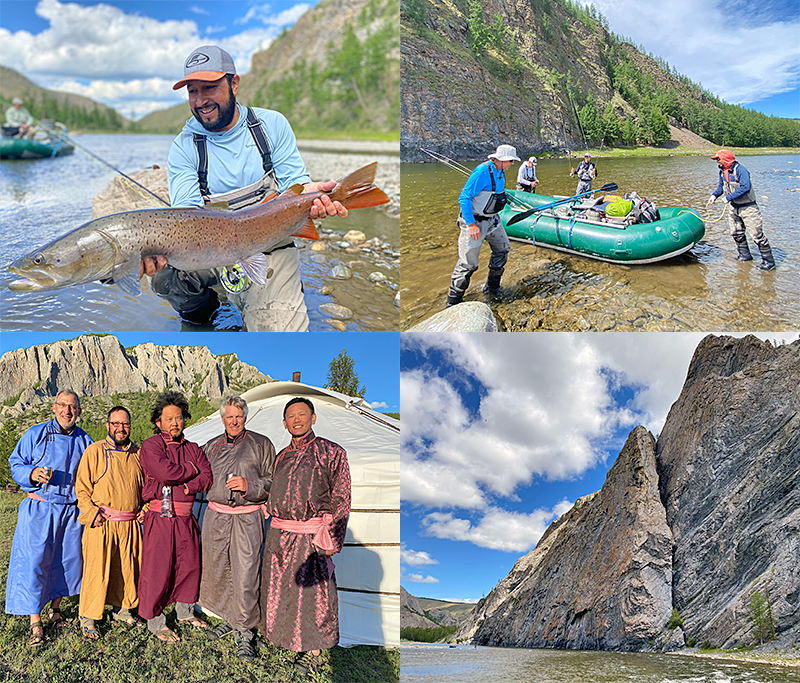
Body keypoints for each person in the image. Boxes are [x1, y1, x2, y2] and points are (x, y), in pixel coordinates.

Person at [144, 45, 349, 332]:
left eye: (210, 88)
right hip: (210, 253)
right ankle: (203, 313)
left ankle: (268, 296)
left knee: (279, 342)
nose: (201, 100)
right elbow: (186, 216)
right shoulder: (184, 147)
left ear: (234, 83)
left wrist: (315, 195)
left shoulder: (271, 125)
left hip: (268, 250)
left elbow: (296, 187)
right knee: (164, 277)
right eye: (193, 91)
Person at [259, 397, 351, 675]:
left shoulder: (332, 453)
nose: (296, 420)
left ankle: (313, 651)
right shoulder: (281, 457)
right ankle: (284, 639)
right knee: (281, 590)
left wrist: (331, 538)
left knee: (314, 596)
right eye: (291, 416)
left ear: (313, 417)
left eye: (302, 414)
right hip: (279, 535)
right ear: (284, 424)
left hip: (312, 537)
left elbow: (342, 499)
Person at [5, 390, 93, 647]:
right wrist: (32, 473)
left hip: (71, 511)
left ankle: (56, 609)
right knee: (36, 562)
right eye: (63, 406)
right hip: (40, 509)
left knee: (67, 563)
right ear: (54, 407)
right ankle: (35, 619)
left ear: (79, 411)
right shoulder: (36, 434)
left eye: (73, 407)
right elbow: (15, 462)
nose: (67, 411)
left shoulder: (85, 441)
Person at [199, 395, 276, 661]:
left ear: (246, 417)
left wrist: (249, 486)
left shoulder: (261, 444)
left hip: (247, 517)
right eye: (229, 417)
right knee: (219, 570)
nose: (234, 421)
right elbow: (195, 474)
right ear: (222, 419)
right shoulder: (210, 446)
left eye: (239, 416)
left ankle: (244, 631)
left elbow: (273, 482)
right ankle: (229, 618)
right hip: (216, 517)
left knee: (245, 573)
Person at [138, 391, 213, 642]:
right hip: (159, 518)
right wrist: (191, 470)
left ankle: (185, 612)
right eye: (168, 419)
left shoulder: (193, 448)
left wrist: (190, 486)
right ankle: (155, 621)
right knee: (157, 569)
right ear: (158, 422)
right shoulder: (151, 446)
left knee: (188, 567)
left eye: (179, 418)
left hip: (185, 518)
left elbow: (207, 477)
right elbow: (165, 472)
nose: (174, 423)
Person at [75, 406, 145, 640]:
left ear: (130, 426)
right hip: (101, 523)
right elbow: (82, 489)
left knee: (127, 569)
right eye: (116, 423)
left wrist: (144, 507)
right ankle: (89, 617)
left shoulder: (138, 454)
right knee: (97, 571)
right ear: (108, 425)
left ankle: (123, 610)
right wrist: (91, 513)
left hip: (130, 523)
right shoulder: (94, 451)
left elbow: (146, 489)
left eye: (124, 424)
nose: (120, 428)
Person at [446, 144, 518, 307]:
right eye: (511, 161)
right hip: (475, 222)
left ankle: (492, 288)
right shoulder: (481, 172)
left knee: (503, 249)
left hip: (493, 220)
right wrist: (471, 225)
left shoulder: (501, 171)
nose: (512, 164)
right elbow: (464, 198)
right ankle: (453, 301)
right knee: (468, 264)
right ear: (501, 160)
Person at [708, 149, 775, 270]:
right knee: (736, 233)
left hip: (748, 207)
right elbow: (720, 187)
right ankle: (745, 256)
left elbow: (745, 187)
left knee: (757, 235)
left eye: (718, 159)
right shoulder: (722, 172)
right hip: (734, 208)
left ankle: (769, 263)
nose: (717, 162)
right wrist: (714, 195)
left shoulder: (741, 170)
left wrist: (729, 198)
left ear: (726, 160)